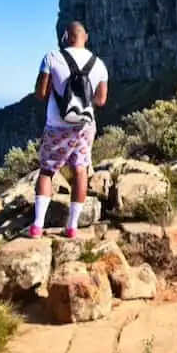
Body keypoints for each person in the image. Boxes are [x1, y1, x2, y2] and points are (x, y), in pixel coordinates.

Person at [31, 22, 110, 238]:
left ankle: (37, 226)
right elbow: (101, 100)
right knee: (80, 170)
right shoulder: (99, 64)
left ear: (66, 36)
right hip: (85, 126)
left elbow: (40, 93)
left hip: (57, 125)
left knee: (47, 171)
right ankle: (72, 227)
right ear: (86, 36)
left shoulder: (51, 58)